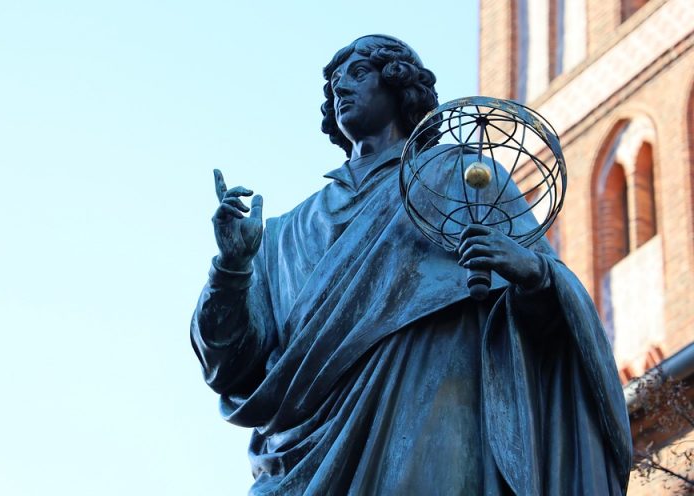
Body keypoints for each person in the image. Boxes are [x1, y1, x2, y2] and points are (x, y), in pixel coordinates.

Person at [191, 35, 632, 495]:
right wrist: (231, 270)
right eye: (334, 83)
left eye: (358, 73)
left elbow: (549, 328)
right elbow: (230, 368)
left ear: (398, 86)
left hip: (431, 425)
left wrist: (532, 275)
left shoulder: (460, 181)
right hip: (296, 459)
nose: (341, 87)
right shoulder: (281, 235)